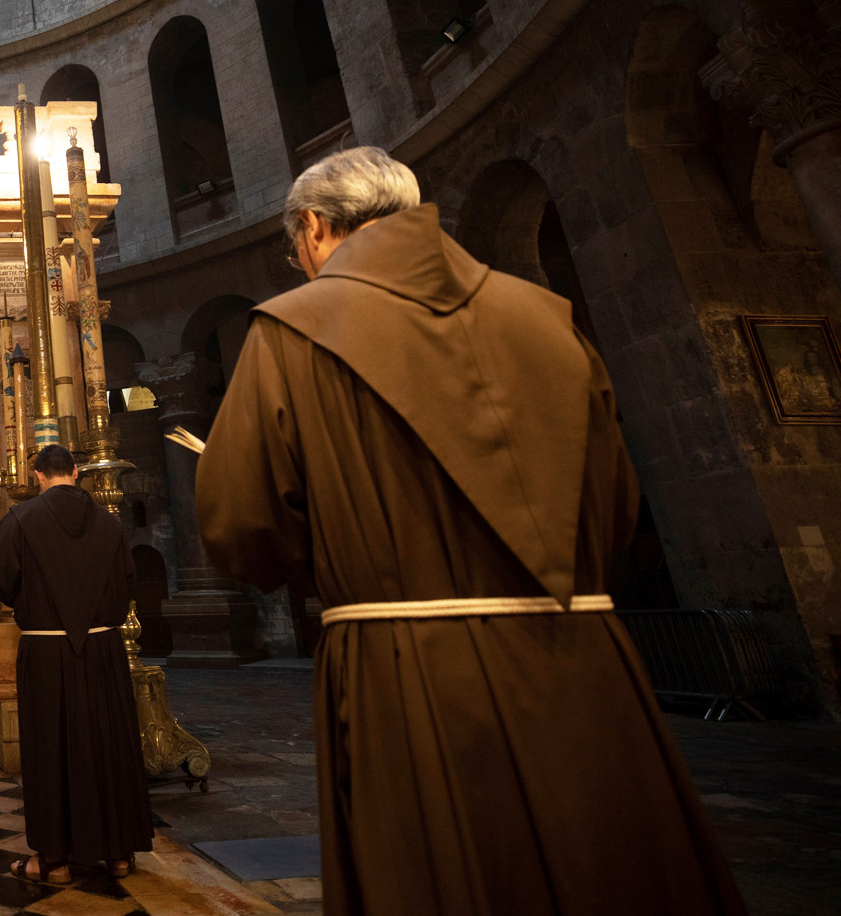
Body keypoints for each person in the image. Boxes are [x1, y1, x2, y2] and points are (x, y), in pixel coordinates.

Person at [193, 146, 747, 916]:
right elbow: (618, 506)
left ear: (316, 227)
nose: (301, 267)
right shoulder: (545, 317)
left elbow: (241, 528)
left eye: (296, 251)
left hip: (408, 672)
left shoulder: (293, 330)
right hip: (585, 663)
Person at [0, 444, 152, 882]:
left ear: (38, 476)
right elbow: (129, 580)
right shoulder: (110, 523)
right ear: (77, 472)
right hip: (102, 650)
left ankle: (54, 861)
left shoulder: (20, 519)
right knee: (108, 745)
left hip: (46, 652)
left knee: (51, 750)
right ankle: (118, 855)